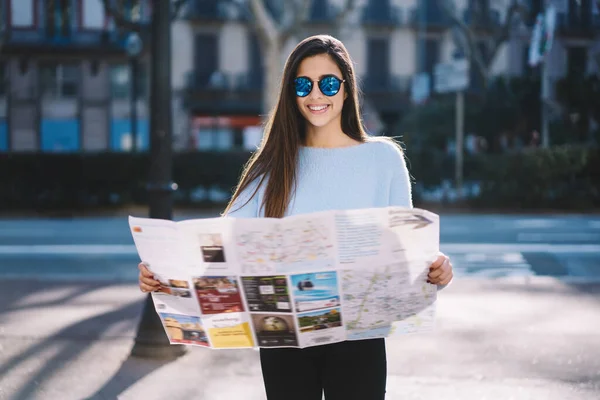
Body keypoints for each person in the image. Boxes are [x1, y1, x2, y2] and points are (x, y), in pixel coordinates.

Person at [138, 34, 453, 400]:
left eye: (328, 83)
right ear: (291, 92)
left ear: (347, 90)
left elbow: (407, 256)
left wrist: (437, 271)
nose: (316, 95)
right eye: (303, 84)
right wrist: (165, 275)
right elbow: (221, 252)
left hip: (359, 337)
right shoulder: (270, 166)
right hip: (284, 335)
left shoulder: (383, 160)